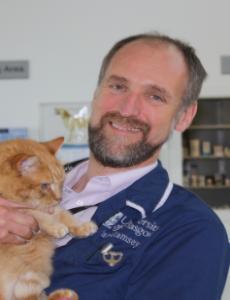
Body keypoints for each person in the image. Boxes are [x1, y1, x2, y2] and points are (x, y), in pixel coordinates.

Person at [0, 32, 229, 300]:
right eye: (118, 86)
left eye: (155, 96)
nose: (128, 109)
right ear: (96, 92)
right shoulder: (22, 179)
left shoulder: (192, 231)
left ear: (184, 116)